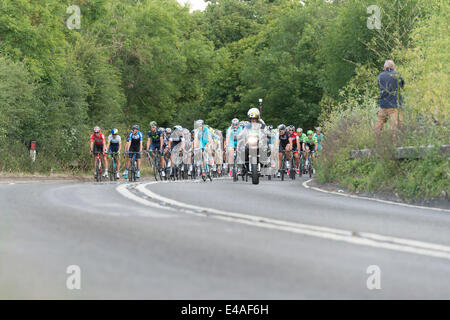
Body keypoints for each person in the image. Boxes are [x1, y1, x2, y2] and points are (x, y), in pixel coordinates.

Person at [375, 59, 405, 144]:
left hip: (382, 105)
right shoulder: (397, 75)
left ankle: (376, 143)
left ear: (385, 67)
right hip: (394, 105)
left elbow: (379, 86)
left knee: (379, 124)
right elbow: (402, 86)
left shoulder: (380, 76)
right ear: (393, 67)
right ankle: (396, 144)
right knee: (395, 126)